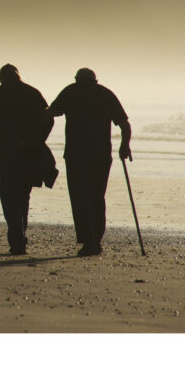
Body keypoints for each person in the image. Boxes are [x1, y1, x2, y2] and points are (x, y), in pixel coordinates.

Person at [0, 64, 58, 255]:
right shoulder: (32, 92)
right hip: (28, 152)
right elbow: (49, 118)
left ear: (1, 78)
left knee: (9, 196)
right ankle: (19, 238)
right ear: (18, 76)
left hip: (3, 153)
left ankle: (17, 240)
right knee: (23, 195)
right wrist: (36, 140)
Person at [46, 68, 132, 257]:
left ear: (77, 80)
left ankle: (89, 241)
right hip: (100, 155)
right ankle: (95, 241)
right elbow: (125, 124)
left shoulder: (71, 91)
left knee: (80, 197)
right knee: (96, 196)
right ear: (95, 80)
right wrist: (124, 146)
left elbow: (50, 113)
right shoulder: (105, 94)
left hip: (76, 155)